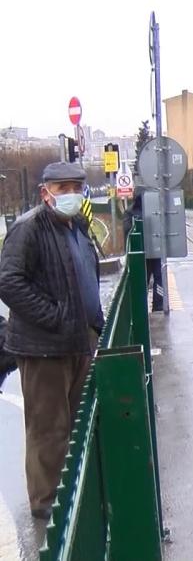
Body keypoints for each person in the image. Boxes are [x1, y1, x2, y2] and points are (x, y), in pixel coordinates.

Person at [0, 162, 104, 520]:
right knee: (48, 428)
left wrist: (95, 322)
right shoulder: (28, 228)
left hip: (78, 342)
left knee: (73, 424)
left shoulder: (76, 227)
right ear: (46, 193)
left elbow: (86, 275)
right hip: (43, 348)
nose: (71, 194)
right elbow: (9, 282)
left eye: (76, 186)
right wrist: (54, 317)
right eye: (63, 189)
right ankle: (46, 507)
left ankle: (70, 492)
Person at [123, 187, 164, 312]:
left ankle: (148, 306)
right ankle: (155, 306)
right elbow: (128, 232)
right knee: (155, 279)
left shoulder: (131, 211)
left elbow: (127, 232)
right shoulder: (137, 211)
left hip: (146, 251)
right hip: (148, 251)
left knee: (151, 279)